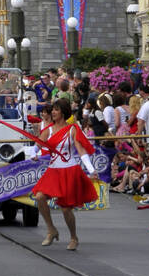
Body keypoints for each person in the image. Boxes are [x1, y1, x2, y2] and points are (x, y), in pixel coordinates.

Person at [29, 97, 99, 251]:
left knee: (66, 209)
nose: (52, 112)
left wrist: (91, 169)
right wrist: (33, 154)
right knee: (40, 197)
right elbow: (37, 145)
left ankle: (74, 237)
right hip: (53, 171)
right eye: (52, 109)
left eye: (56, 109)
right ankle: (51, 230)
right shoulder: (48, 129)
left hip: (69, 170)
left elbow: (80, 150)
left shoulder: (72, 129)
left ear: (63, 112)